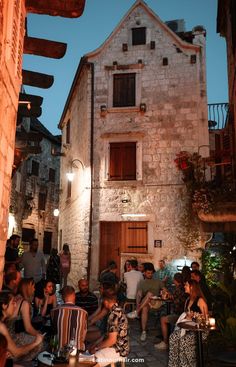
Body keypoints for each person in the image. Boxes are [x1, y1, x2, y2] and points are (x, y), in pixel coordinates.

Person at [168, 279, 208, 367]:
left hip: (199, 331)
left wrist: (194, 318)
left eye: (186, 285)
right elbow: (186, 316)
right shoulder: (188, 299)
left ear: (192, 287)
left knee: (183, 341)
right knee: (173, 337)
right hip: (188, 328)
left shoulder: (200, 300)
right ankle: (174, 364)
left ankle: (187, 365)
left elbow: (206, 321)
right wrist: (188, 317)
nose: (184, 286)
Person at [89, 288, 129, 367]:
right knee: (90, 349)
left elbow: (112, 340)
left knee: (91, 362)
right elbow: (107, 334)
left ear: (106, 302)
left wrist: (97, 347)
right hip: (121, 346)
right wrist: (96, 344)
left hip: (118, 350)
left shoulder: (113, 315)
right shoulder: (118, 309)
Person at [0, 291, 43, 363]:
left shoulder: (3, 322)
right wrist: (35, 342)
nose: (15, 305)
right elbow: (16, 353)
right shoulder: (1, 326)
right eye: (13, 303)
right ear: (4, 305)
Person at [127, 263, 164, 341]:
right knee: (143, 304)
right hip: (146, 303)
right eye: (148, 273)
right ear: (144, 273)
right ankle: (144, 332)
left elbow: (165, 290)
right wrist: (139, 298)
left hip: (156, 303)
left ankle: (137, 312)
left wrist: (164, 292)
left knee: (149, 294)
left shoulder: (158, 282)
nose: (150, 275)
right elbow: (139, 295)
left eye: (151, 273)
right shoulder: (141, 282)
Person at [154, 273, 187, 350]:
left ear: (175, 280)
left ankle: (165, 342)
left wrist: (167, 296)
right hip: (181, 312)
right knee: (163, 312)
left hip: (180, 314)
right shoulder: (182, 288)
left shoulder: (178, 289)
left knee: (163, 319)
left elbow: (175, 301)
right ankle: (166, 336)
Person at [51, 286, 87, 351]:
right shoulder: (83, 312)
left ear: (62, 297)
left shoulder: (54, 311)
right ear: (74, 296)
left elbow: (54, 331)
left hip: (59, 350)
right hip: (77, 350)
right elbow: (83, 335)